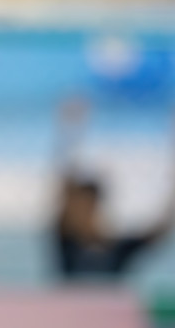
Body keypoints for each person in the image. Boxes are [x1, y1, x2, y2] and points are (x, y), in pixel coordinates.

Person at [53, 98, 175, 278]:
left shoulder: (117, 248)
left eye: (86, 206)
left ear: (96, 207)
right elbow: (64, 180)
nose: (81, 212)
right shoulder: (67, 243)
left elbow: (160, 228)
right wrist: (70, 132)